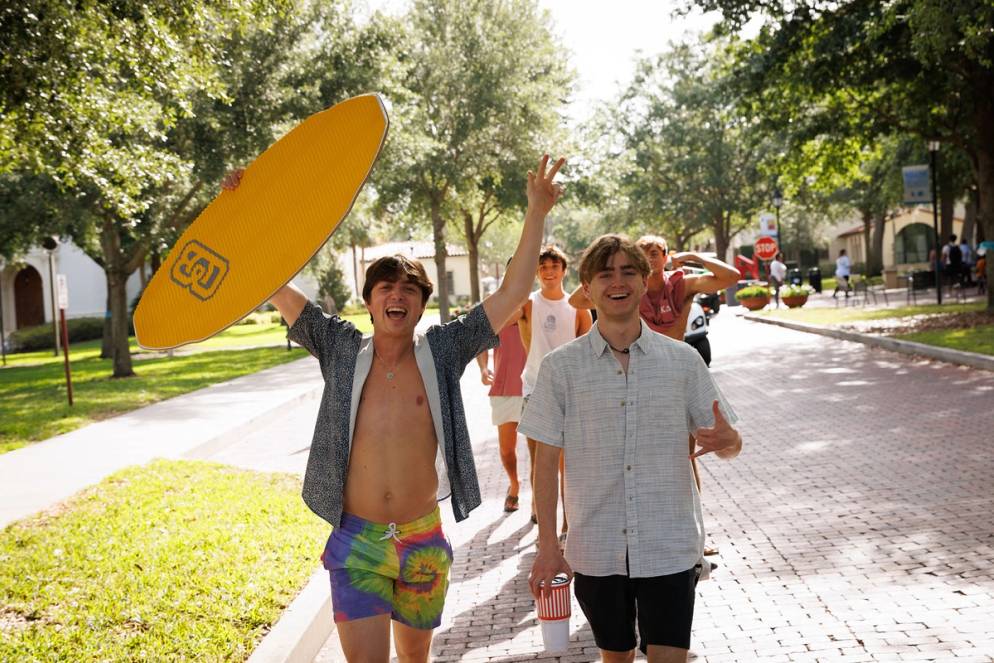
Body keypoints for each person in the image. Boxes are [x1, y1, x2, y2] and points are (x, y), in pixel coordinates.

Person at [223, 155, 565, 662]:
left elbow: (514, 289)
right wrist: (240, 210)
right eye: (386, 287)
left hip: (421, 538)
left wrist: (536, 210)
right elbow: (273, 281)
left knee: (414, 660)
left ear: (422, 304)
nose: (397, 295)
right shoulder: (340, 349)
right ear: (369, 301)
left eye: (409, 289)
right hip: (356, 542)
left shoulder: (443, 351)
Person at [522, 233, 743, 663]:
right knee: (615, 656)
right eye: (605, 274)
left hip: (670, 541)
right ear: (587, 289)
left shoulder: (682, 361)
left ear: (645, 282)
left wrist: (728, 442)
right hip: (595, 545)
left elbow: (730, 442)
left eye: (628, 272)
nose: (617, 282)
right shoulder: (560, 369)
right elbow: (545, 465)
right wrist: (548, 546)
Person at [519, 245, 593, 544]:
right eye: (543, 267)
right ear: (537, 272)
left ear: (564, 270)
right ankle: (544, 531)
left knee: (569, 464)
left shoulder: (577, 307)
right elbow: (500, 314)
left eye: (554, 266)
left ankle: (567, 526)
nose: (549, 272)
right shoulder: (526, 304)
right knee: (540, 463)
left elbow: (589, 348)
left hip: (569, 393)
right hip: (534, 388)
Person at [476, 288, 528, 513]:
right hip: (504, 387)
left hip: (534, 386)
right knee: (507, 449)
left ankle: (537, 501)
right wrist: (484, 367)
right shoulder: (495, 308)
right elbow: (481, 342)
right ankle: (514, 483)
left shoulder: (536, 304)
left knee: (541, 450)